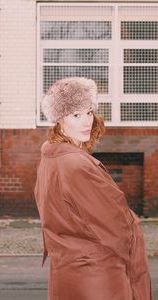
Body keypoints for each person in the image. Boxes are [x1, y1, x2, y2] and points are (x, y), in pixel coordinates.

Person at [34, 77, 153, 300]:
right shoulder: (76, 164)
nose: (86, 122)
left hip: (68, 271)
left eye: (89, 112)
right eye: (76, 115)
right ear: (59, 120)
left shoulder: (50, 158)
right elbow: (115, 227)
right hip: (99, 277)